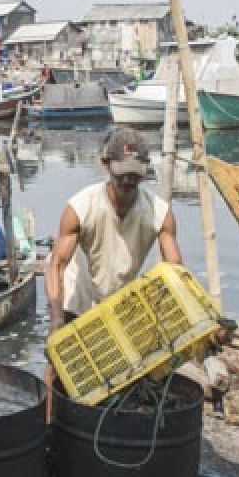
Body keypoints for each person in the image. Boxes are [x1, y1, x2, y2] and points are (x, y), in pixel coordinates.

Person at [43, 128, 183, 407]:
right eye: (122, 173)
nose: (128, 180)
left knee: (115, 367)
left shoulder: (159, 213)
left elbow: (175, 269)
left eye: (135, 173)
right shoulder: (82, 206)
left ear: (144, 171)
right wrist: (56, 318)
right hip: (77, 292)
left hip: (118, 296)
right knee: (59, 365)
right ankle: (48, 427)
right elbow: (56, 265)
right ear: (107, 164)